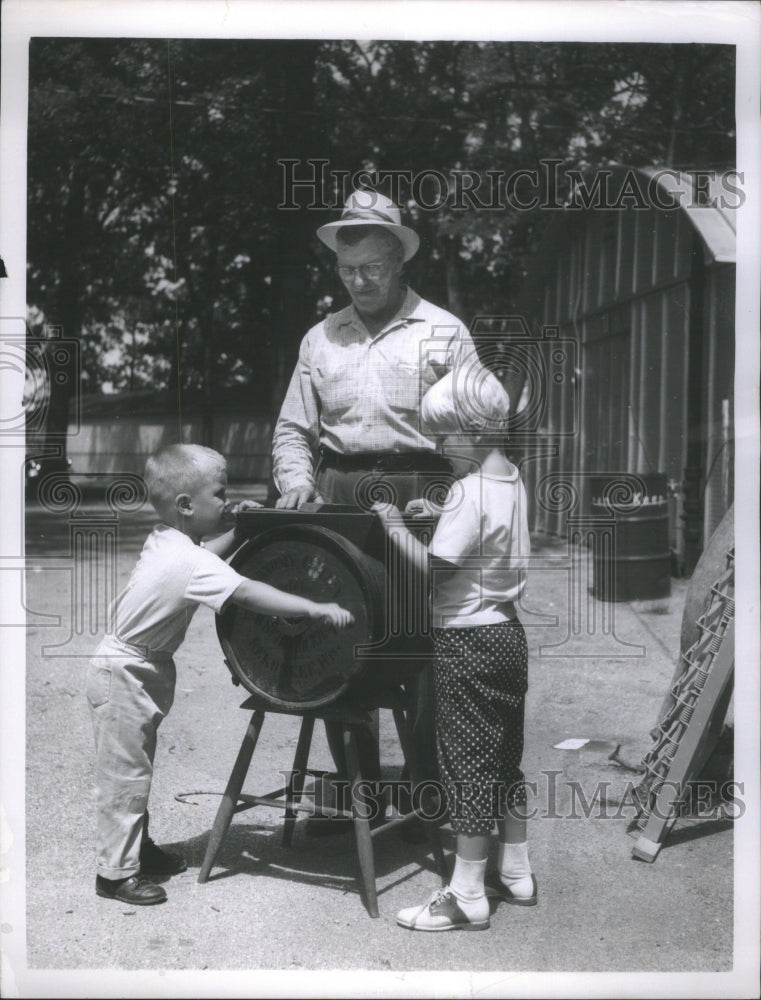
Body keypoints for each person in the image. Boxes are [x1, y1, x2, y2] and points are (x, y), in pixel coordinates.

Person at [272, 189, 478, 802]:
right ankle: (356, 788)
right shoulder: (322, 337)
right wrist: (297, 482)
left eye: (372, 268)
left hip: (421, 495)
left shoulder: (444, 330)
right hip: (339, 495)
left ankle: (428, 788)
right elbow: (292, 428)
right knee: (342, 641)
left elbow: (469, 433)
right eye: (346, 269)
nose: (358, 281)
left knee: (426, 644)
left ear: (399, 263)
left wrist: (458, 502)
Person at [87, 443, 353, 905]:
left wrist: (237, 525)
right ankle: (115, 875)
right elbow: (246, 591)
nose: (227, 499)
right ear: (187, 505)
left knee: (137, 768)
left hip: (137, 666)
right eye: (221, 492)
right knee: (125, 777)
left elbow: (209, 553)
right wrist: (313, 606)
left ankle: (136, 851)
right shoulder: (190, 561)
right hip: (125, 671)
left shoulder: (170, 540)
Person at [373, 366, 536, 931]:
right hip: (507, 634)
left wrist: (394, 527)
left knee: (466, 766)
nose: (439, 447)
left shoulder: (466, 491)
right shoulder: (511, 479)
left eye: (444, 436)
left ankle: (467, 892)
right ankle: (516, 871)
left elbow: (437, 574)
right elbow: (482, 540)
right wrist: (438, 517)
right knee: (503, 759)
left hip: (467, 638)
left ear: (474, 429)